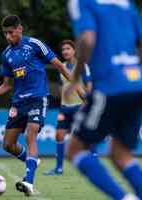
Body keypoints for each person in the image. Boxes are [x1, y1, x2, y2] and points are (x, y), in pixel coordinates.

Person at [0, 14, 76, 196]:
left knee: (31, 134)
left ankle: (28, 181)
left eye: (11, 32)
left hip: (38, 98)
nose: (8, 37)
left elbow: (60, 65)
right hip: (18, 102)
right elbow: (6, 85)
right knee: (7, 144)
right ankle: (32, 161)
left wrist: (78, 87)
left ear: (19, 29)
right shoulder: (7, 55)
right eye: (5, 33)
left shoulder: (35, 45)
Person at [67, 0, 142, 200]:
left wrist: (76, 76)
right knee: (121, 154)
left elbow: (87, 40)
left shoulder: (81, 2)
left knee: (75, 149)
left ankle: (123, 198)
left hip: (109, 87)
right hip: (138, 83)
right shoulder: (125, 2)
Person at [44, 39, 92, 176]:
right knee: (59, 135)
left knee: (85, 137)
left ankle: (93, 163)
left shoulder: (82, 66)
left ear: (74, 51)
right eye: (63, 49)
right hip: (65, 108)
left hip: (80, 107)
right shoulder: (62, 67)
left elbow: (89, 86)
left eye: (68, 49)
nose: (65, 51)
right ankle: (59, 169)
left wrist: (89, 103)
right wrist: (61, 106)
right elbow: (63, 88)